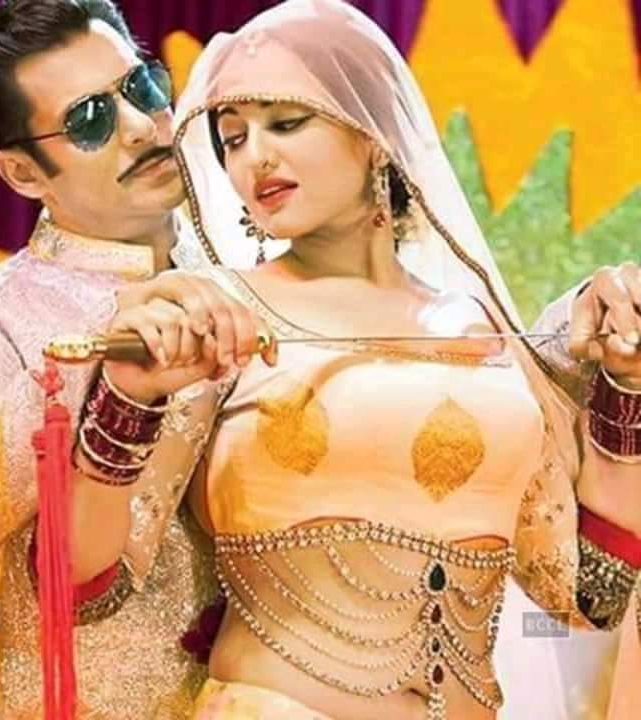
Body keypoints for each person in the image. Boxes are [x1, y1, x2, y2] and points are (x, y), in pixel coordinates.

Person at [162, 1, 641, 718]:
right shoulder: (219, 317)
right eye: (232, 139)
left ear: (373, 134)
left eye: (286, 123)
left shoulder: (481, 330)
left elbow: (589, 595)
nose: (254, 155)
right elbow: (102, 569)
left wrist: (624, 387)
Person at [0, 1, 259, 717]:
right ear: (22, 172)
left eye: (141, 87)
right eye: (89, 120)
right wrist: (105, 344)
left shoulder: (263, 270)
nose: (140, 125)